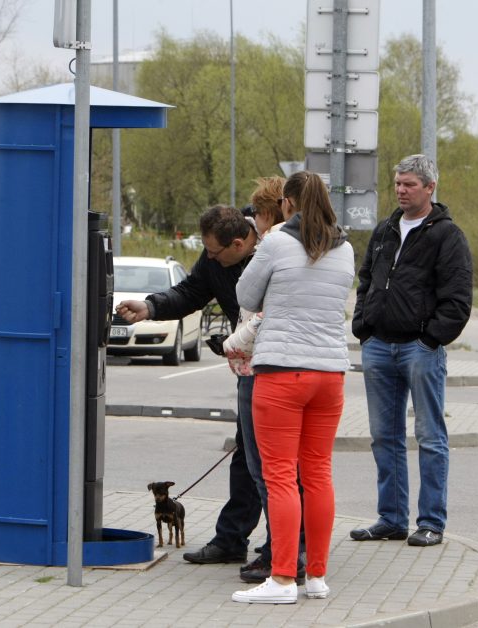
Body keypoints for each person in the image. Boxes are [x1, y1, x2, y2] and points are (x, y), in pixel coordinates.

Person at [230, 171, 354, 604]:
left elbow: (246, 295)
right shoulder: (346, 248)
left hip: (282, 372)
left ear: (288, 203)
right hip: (330, 374)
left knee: (280, 477)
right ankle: (316, 576)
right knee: (317, 474)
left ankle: (282, 579)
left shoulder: (279, 241)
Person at [116, 204, 262, 571]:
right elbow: (191, 291)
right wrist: (150, 307)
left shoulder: (271, 253)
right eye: (207, 252)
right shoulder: (216, 261)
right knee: (246, 456)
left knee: (272, 462)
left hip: (279, 367)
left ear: (240, 243)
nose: (208, 257)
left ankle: (287, 545)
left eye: (214, 251)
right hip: (249, 366)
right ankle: (232, 540)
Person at [349, 154, 473, 548]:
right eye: (398, 183)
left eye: (409, 185)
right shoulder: (385, 229)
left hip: (421, 349)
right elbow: (366, 278)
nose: (401, 190)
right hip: (379, 347)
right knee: (384, 436)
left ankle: (432, 522)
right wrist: (363, 327)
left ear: (430, 187)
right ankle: (391, 519)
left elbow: (457, 299)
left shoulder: (447, 235)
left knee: (430, 436)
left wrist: (430, 338)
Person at [219, 177, 301, 585]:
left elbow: (251, 304)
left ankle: (280, 553)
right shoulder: (320, 246)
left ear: (269, 212)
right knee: (296, 470)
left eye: (256, 213)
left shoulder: (273, 247)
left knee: (265, 469)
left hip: (259, 368)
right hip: (304, 368)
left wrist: (232, 344)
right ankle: (297, 550)